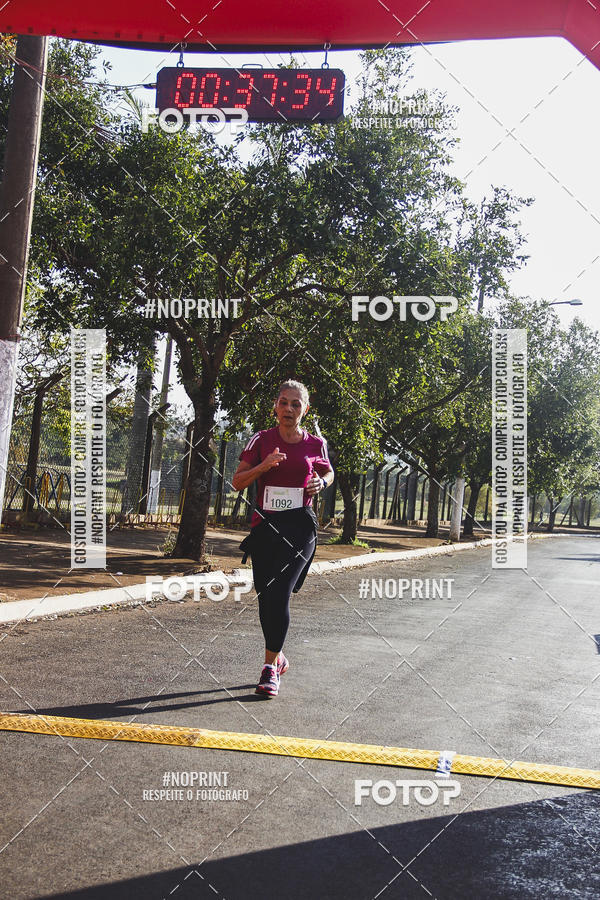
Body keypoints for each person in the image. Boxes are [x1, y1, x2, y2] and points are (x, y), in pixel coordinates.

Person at [232, 380, 334, 698]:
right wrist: (263, 466)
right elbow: (237, 482)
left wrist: (321, 482)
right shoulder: (261, 440)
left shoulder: (315, 444)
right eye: (283, 402)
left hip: (301, 528)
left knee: (279, 594)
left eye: (295, 404)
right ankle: (278, 655)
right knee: (266, 598)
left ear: (306, 409)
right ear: (275, 406)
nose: (288, 409)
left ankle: (268, 668)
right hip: (265, 527)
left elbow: (328, 471)